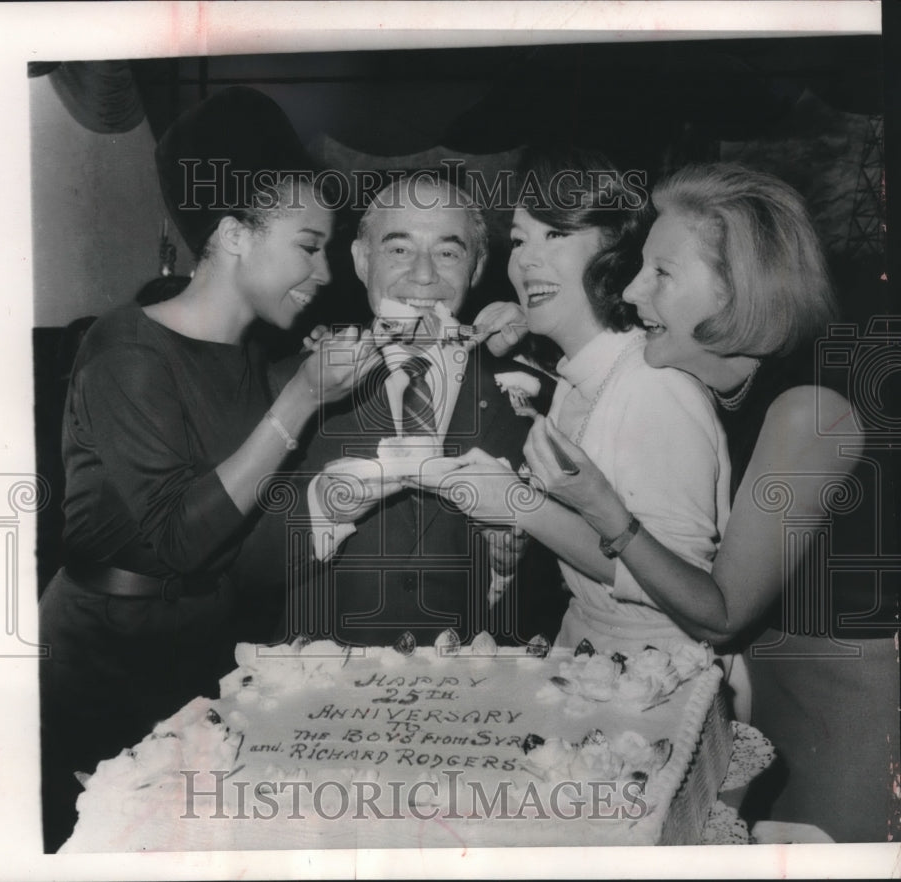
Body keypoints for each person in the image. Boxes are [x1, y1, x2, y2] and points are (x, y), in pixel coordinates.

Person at [38, 87, 378, 851]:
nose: (323, 271)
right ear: (231, 234)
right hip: (102, 671)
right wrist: (297, 402)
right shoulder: (124, 351)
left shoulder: (255, 358)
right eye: (307, 243)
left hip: (198, 660)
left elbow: (251, 535)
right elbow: (175, 541)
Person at [518, 162, 898, 842]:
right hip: (781, 683)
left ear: (735, 288)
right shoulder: (741, 382)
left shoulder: (809, 409)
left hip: (852, 705)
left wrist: (608, 513)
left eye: (661, 274)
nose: (632, 290)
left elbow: (721, 615)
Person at [416, 147, 732, 661]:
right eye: (519, 240)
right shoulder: (573, 379)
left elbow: (691, 597)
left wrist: (521, 506)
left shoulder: (654, 388)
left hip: (661, 671)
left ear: (612, 245)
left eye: (556, 234)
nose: (526, 260)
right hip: (585, 653)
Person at [285, 173, 561, 648]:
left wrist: (508, 566)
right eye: (399, 249)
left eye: (449, 252)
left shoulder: (541, 398)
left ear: (476, 268)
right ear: (360, 259)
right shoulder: (290, 383)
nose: (424, 275)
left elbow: (566, 588)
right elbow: (238, 564)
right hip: (320, 694)